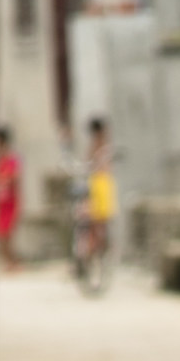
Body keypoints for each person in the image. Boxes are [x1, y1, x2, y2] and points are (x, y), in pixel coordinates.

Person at [73, 117, 116, 293]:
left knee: (100, 223)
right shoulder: (96, 146)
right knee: (91, 220)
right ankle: (90, 253)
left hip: (101, 187)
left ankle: (100, 251)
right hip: (95, 186)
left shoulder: (104, 146)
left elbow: (103, 166)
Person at [0, 127, 21, 273]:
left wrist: (3, 179)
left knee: (7, 235)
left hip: (9, 203)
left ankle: (12, 263)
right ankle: (9, 262)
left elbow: (14, 179)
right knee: (0, 235)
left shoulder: (11, 160)